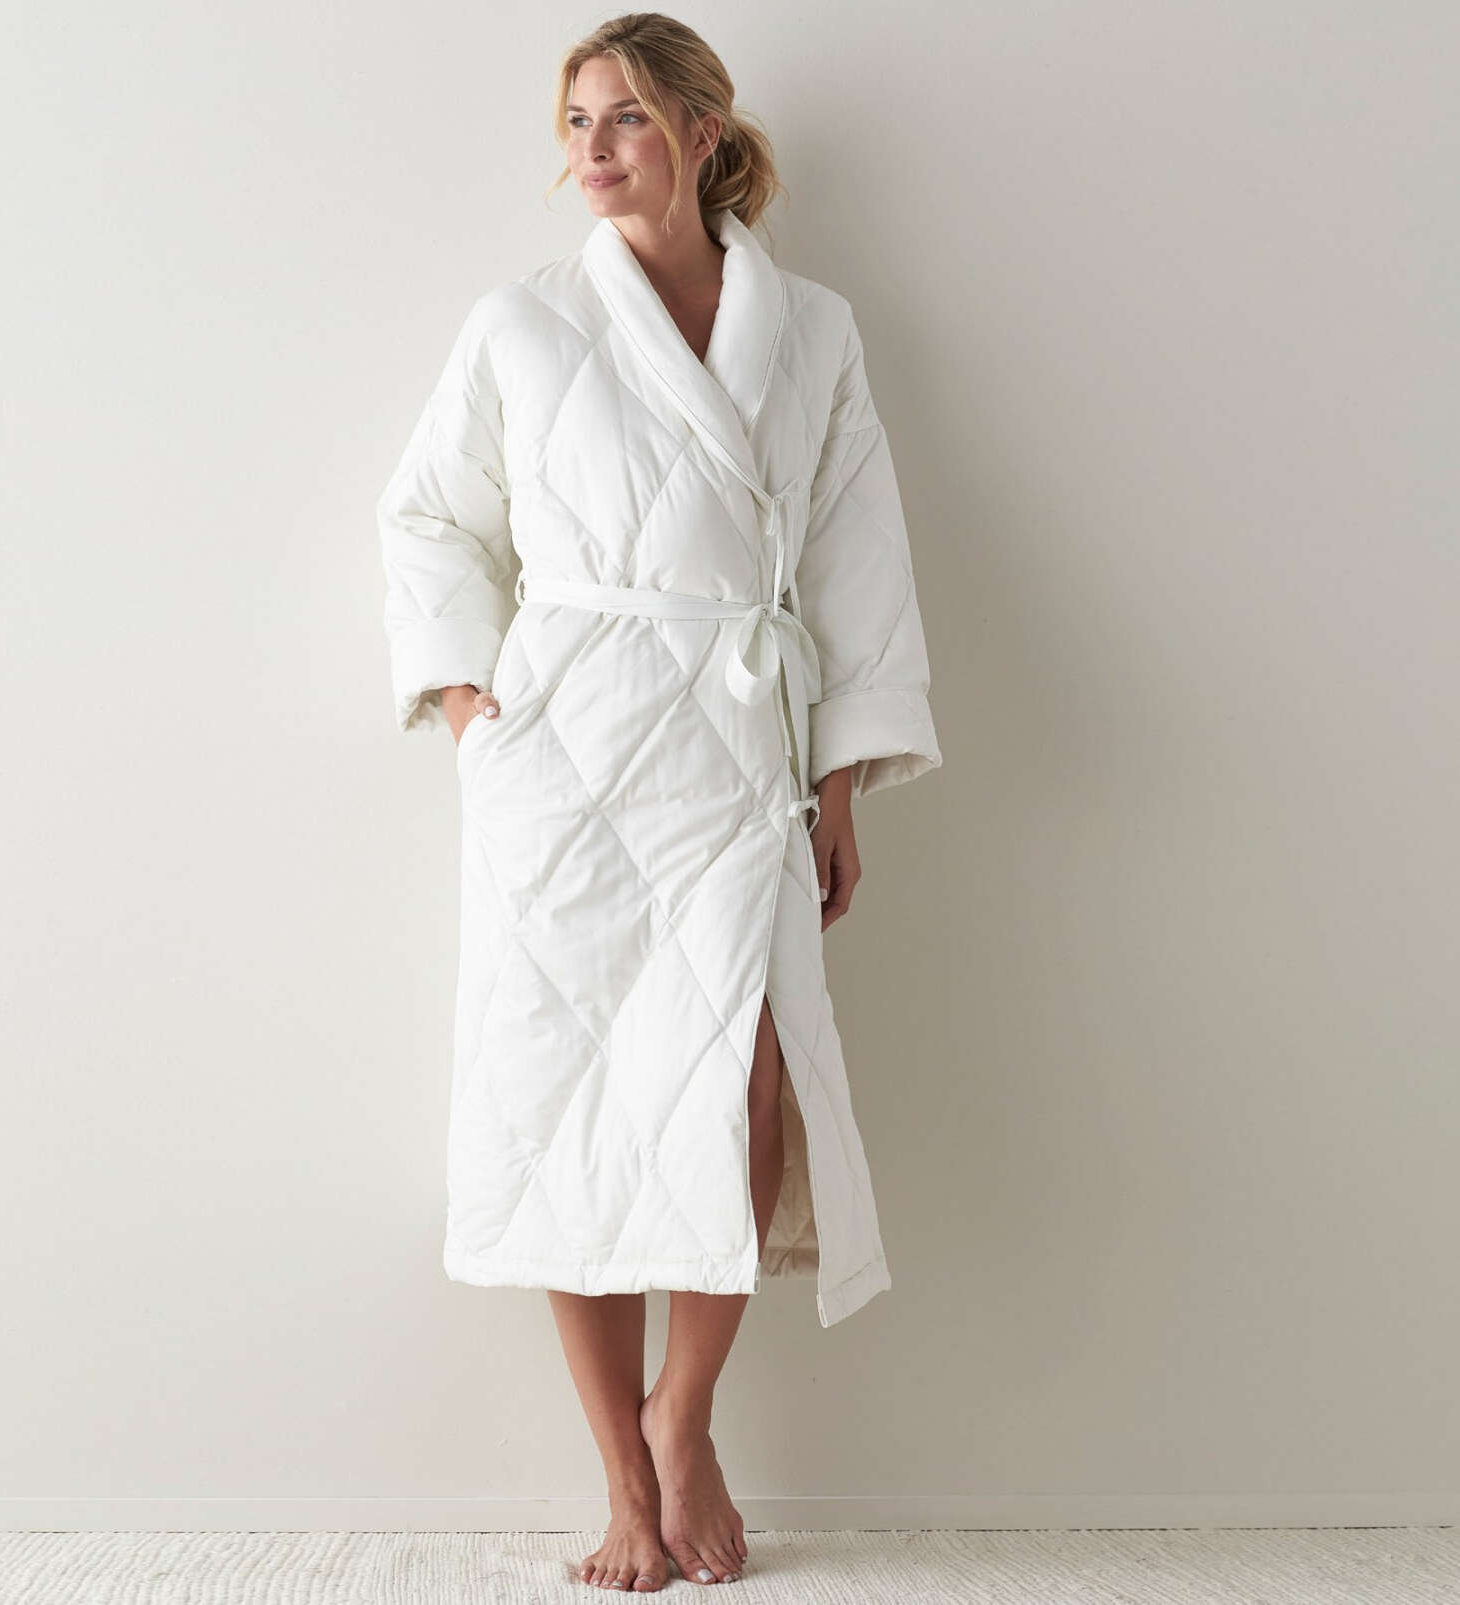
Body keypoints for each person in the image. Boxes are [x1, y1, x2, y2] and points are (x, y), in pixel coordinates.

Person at [377, 13, 943, 1593]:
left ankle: (681, 1415)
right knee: (566, 1092)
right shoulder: (521, 323)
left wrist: (841, 778)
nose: (593, 147)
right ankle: (621, 1476)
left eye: (624, 116)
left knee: (742, 1081)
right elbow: (425, 515)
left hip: (735, 745)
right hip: (566, 751)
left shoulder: (811, 328)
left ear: (702, 130)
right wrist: (475, 708)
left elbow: (855, 555)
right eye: (575, 120)